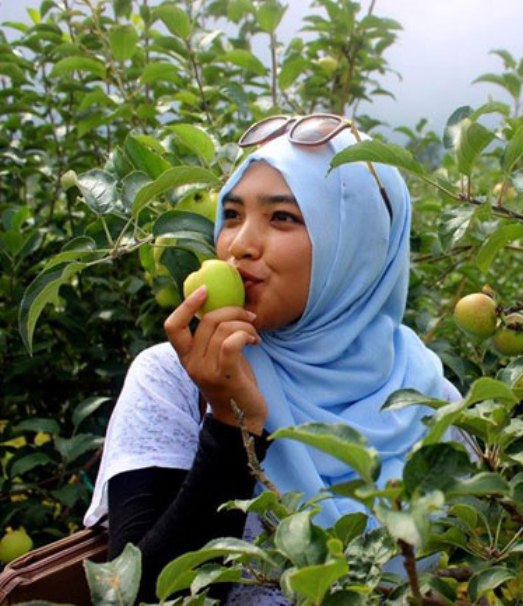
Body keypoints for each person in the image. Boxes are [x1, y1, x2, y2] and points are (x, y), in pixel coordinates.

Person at [83, 115, 460, 603]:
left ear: (357, 247)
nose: (239, 245)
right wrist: (228, 423)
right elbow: (134, 597)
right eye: (233, 215)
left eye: (282, 217)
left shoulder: (430, 398)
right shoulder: (176, 378)